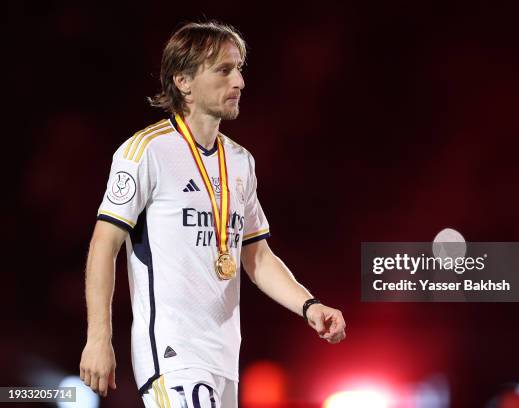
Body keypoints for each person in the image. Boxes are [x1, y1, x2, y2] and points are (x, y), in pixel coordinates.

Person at [79, 20, 347, 407]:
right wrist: (98, 338)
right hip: (172, 355)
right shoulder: (145, 152)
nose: (239, 81)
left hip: (224, 359)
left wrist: (309, 305)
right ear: (183, 81)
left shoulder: (240, 162)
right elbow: (104, 245)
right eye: (224, 70)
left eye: (239, 69)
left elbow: (256, 256)